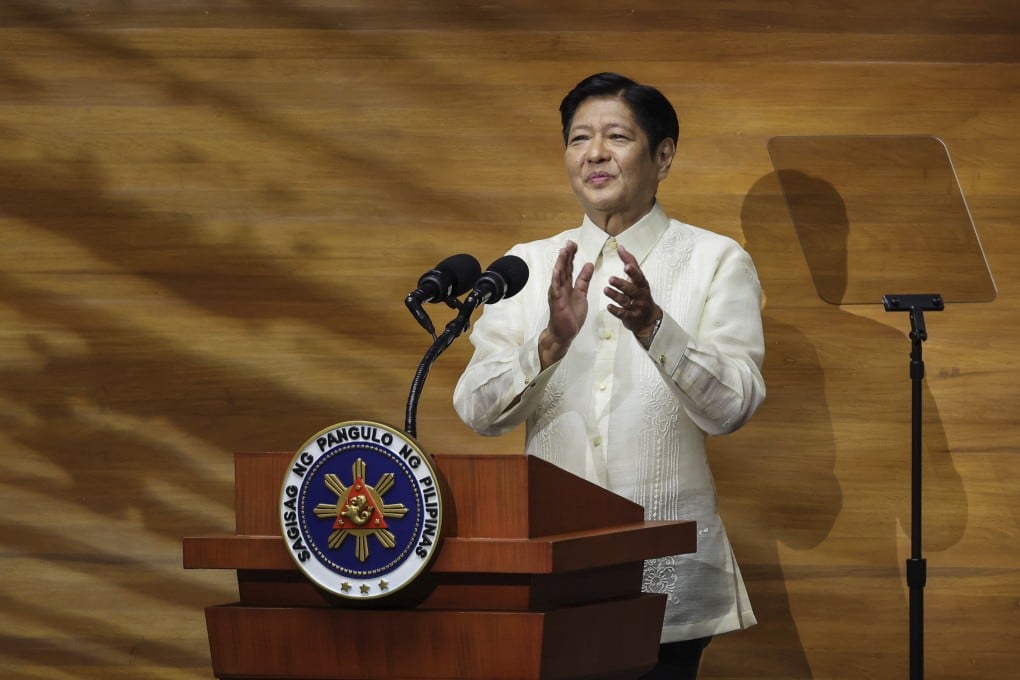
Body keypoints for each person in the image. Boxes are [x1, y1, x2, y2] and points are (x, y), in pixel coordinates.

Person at [452, 72, 766, 679]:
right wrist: (547, 345)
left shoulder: (715, 260)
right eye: (578, 139)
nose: (594, 153)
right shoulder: (525, 267)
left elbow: (733, 406)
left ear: (663, 154)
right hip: (549, 574)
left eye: (616, 136)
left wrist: (655, 328)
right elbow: (476, 410)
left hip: (666, 585)